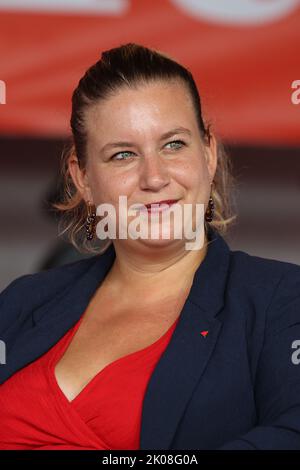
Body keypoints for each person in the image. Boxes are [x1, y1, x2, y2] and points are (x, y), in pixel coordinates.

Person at [0, 42, 300, 451]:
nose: (154, 177)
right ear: (83, 177)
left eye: (173, 144)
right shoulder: (21, 302)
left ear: (208, 153)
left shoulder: (280, 299)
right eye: (123, 154)